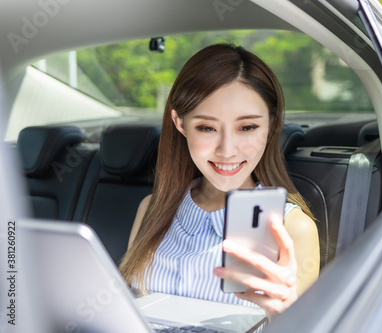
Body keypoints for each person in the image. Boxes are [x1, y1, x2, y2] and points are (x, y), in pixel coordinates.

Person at [119, 43, 319, 318]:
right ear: (180, 123)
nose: (227, 150)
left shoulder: (293, 228)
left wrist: (285, 316)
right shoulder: (152, 209)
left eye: (247, 127)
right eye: (207, 128)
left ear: (272, 124)